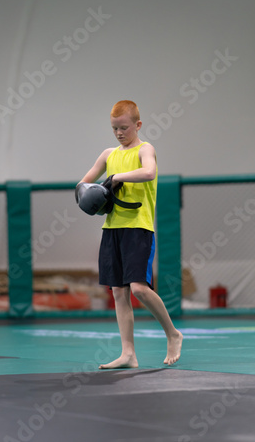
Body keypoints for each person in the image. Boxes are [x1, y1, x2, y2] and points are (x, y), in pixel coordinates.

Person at [78, 100, 183, 368]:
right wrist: (88, 193)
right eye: (114, 128)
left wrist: (118, 178)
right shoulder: (108, 154)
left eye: (124, 128)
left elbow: (149, 172)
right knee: (118, 292)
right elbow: (83, 182)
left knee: (139, 289)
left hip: (138, 228)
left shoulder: (145, 149)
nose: (119, 133)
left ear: (137, 125)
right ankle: (128, 353)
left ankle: (173, 333)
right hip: (112, 229)